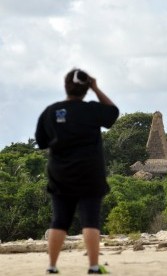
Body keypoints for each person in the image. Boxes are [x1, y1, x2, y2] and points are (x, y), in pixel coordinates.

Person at [35, 68, 119, 274]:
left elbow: (41, 141)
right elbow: (113, 112)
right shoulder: (91, 110)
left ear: (65, 86)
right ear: (86, 89)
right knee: (90, 220)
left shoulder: (51, 111)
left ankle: (52, 267)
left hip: (60, 174)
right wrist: (97, 89)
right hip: (90, 173)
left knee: (59, 220)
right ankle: (92, 267)